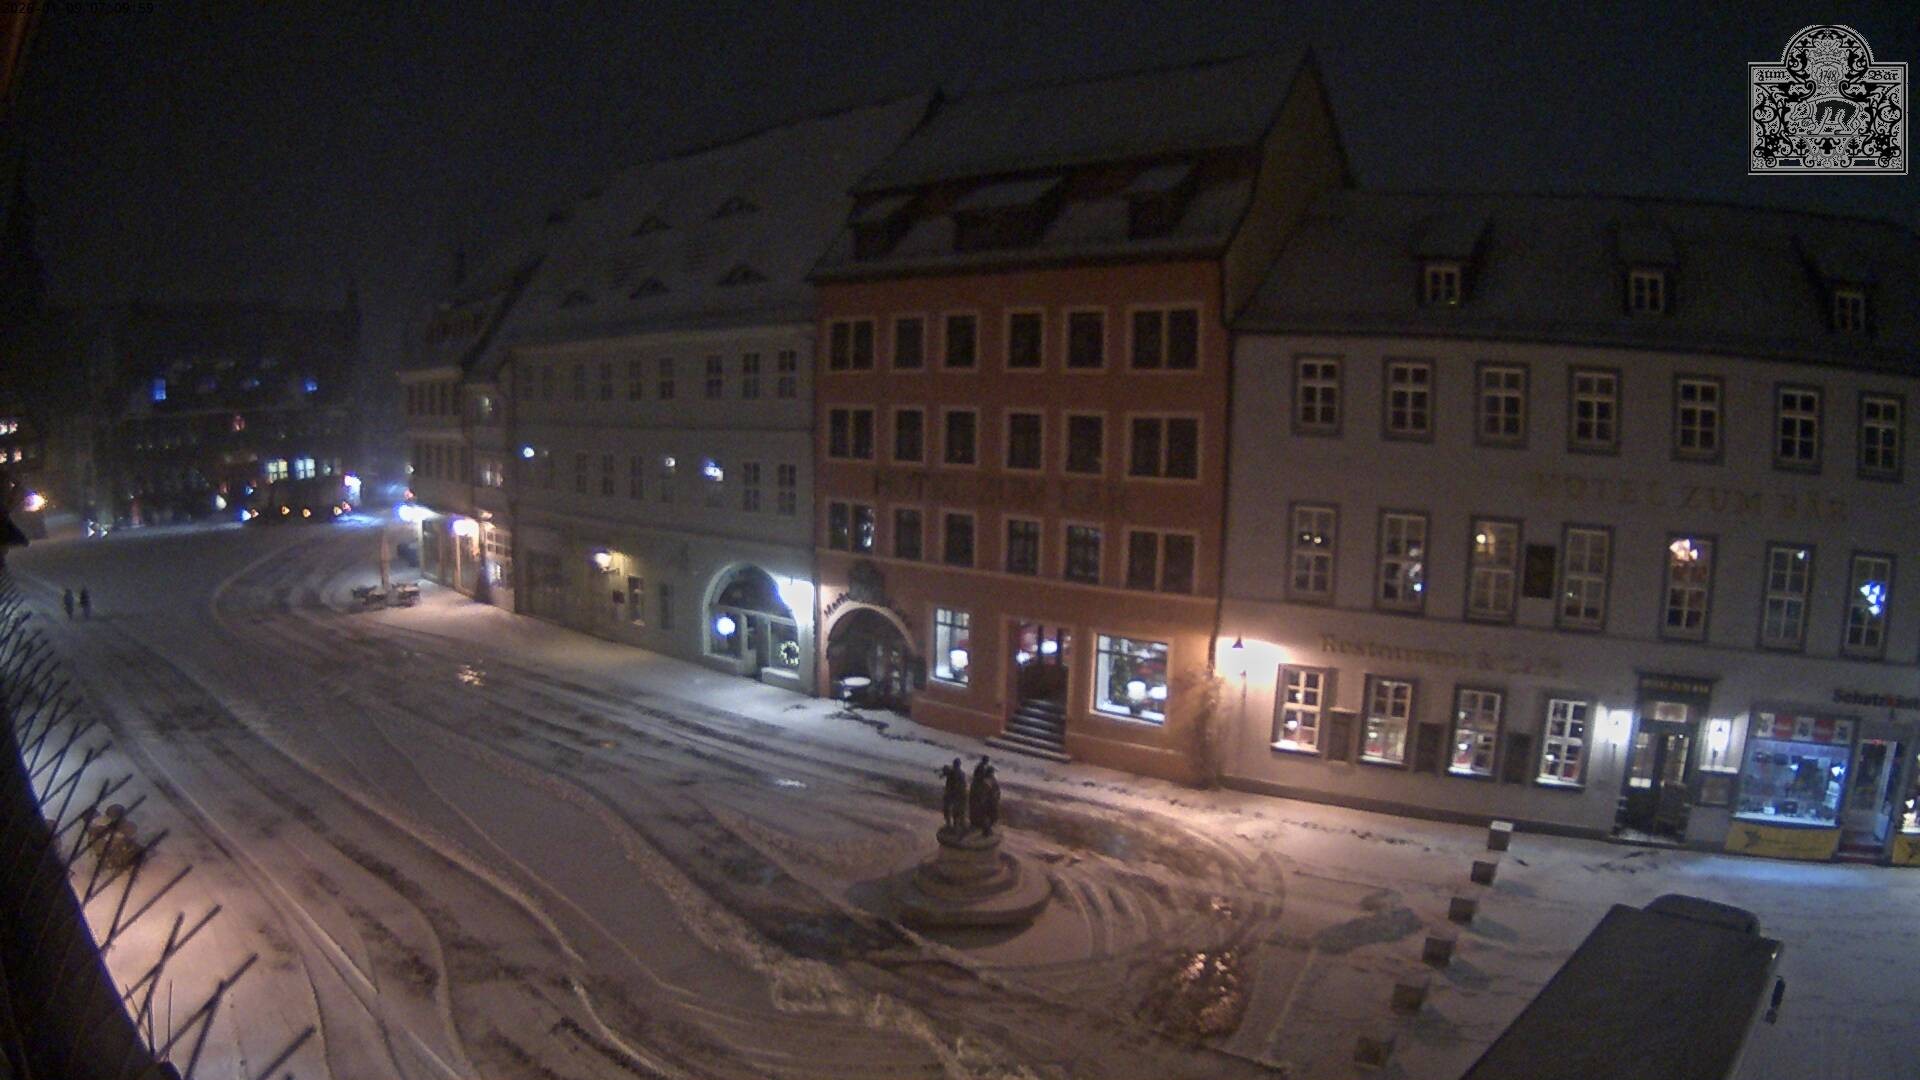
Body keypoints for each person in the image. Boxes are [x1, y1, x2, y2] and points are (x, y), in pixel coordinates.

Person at [969, 756, 1000, 836]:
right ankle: (985, 830)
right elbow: (990, 792)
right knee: (988, 816)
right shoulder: (987, 781)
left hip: (983, 799)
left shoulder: (986, 779)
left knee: (984, 815)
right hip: (986, 801)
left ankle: (981, 827)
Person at [938, 758, 968, 832]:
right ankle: (954, 825)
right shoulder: (960, 773)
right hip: (956, 793)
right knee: (954, 810)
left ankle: (951, 825)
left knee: (950, 810)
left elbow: (941, 776)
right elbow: (964, 785)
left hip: (953, 793)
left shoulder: (954, 772)